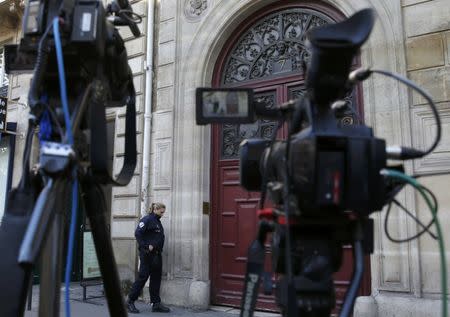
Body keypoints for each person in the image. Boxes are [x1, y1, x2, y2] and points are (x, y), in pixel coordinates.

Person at [126, 203, 170, 314]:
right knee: (143, 277)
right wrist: (145, 246)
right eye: (161, 212)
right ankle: (130, 301)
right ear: (155, 209)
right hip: (147, 255)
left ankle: (156, 304)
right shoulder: (147, 219)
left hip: (156, 255)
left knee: (156, 279)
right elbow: (138, 233)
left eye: (163, 212)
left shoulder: (157, 221)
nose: (162, 214)